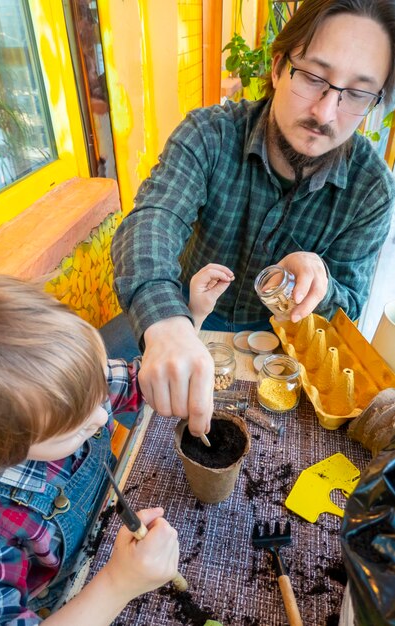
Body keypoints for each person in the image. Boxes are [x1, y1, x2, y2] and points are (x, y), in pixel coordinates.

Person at [108, 0, 395, 437]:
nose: (326, 112)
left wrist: (316, 283)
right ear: (278, 68)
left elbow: (349, 306)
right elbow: (153, 220)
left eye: (356, 93)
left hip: (283, 349)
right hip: (188, 314)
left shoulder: (372, 188)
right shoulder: (209, 135)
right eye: (314, 78)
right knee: (96, 399)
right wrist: (167, 325)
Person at [0, 267, 232, 625]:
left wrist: (188, 324)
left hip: (109, 516)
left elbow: (140, 380)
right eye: (76, 426)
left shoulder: (69, 388)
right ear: (5, 448)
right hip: (72, 599)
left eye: (98, 390)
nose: (102, 416)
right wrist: (118, 583)